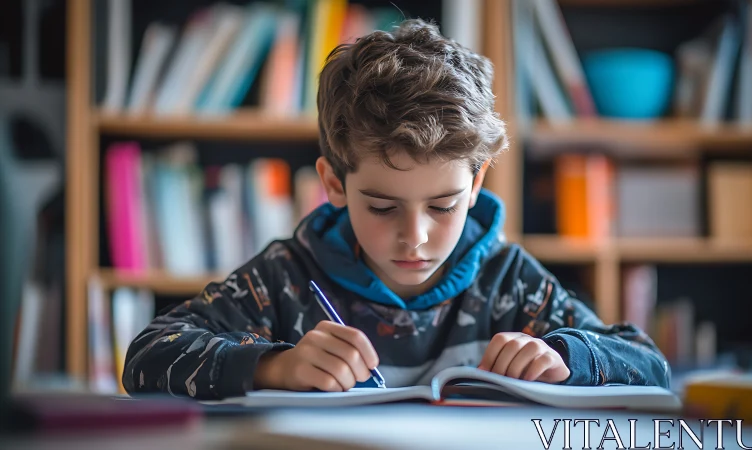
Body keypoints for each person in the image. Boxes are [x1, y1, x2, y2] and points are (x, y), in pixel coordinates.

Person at [123, 19, 670, 400]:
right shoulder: (286, 279)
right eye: (382, 206)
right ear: (334, 184)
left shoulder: (509, 281)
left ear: (476, 182)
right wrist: (275, 365)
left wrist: (567, 359)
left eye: (443, 205)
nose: (416, 238)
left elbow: (649, 363)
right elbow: (146, 356)